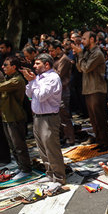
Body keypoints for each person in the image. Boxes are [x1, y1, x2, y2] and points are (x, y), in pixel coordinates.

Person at [22, 54, 67, 194]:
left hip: (49, 118)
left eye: (37, 63)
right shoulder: (39, 78)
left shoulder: (53, 78)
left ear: (46, 65)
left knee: (51, 148)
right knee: (42, 148)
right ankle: (50, 174)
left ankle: (59, 178)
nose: (34, 66)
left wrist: (33, 81)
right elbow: (29, 94)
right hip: (38, 117)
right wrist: (31, 82)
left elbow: (41, 96)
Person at [0, 56, 32, 180]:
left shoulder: (17, 80)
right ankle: (20, 166)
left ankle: (26, 169)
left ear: (14, 67)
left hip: (15, 116)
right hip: (6, 116)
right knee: (13, 145)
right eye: (3, 65)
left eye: (6, 65)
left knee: (19, 145)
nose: (3, 67)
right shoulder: (8, 78)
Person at [73, 31, 108, 151]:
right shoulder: (87, 53)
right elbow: (79, 68)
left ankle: (106, 142)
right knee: (93, 119)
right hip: (88, 89)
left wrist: (80, 55)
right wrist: (80, 55)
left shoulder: (97, 53)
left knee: (99, 117)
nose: (82, 41)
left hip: (97, 89)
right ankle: (100, 141)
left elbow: (86, 67)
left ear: (92, 39)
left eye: (84, 39)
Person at [48, 40, 75, 146]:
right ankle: (64, 136)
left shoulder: (64, 60)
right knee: (58, 116)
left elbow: (58, 75)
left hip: (63, 91)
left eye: (52, 51)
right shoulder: (56, 60)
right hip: (56, 92)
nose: (50, 53)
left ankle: (70, 138)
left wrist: (50, 67)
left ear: (58, 49)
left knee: (64, 116)